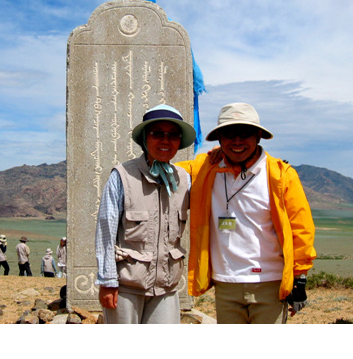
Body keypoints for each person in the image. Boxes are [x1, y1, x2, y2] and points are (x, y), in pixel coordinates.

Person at [176, 102, 317, 324]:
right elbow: (167, 171)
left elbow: (301, 229)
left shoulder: (281, 176)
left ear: (258, 136)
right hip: (225, 283)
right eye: (229, 134)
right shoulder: (206, 169)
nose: (237, 141)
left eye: (245, 133)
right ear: (219, 138)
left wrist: (299, 280)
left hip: (269, 283)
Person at [95, 104, 196, 324]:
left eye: (173, 135)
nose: (165, 140)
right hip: (126, 287)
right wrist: (108, 281)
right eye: (157, 133)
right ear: (145, 139)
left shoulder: (184, 179)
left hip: (166, 287)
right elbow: (106, 231)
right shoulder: (122, 176)